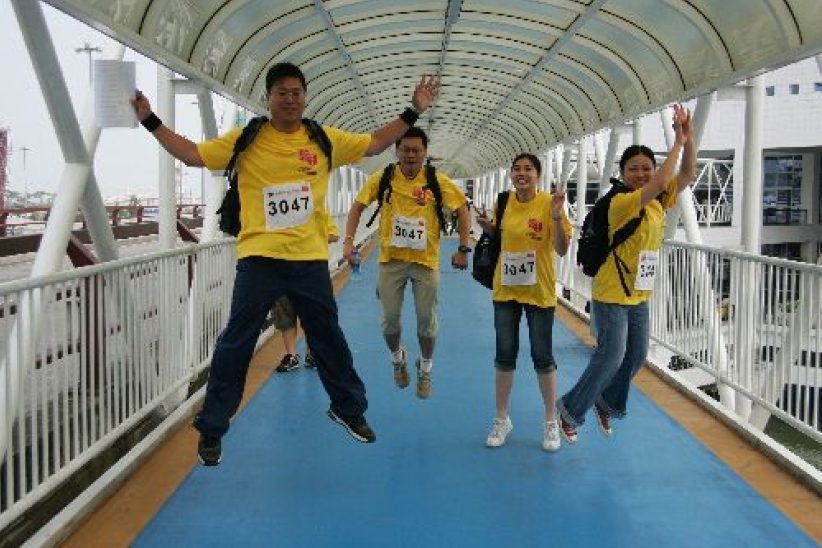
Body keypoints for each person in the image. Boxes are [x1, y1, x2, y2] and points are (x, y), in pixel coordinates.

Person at [132, 62, 440, 465]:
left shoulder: (321, 138)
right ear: (269, 98)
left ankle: (348, 410)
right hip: (259, 258)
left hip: (308, 259)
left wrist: (413, 110)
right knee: (235, 342)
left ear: (305, 97)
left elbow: (375, 144)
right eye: (282, 92)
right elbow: (191, 155)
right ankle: (212, 428)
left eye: (297, 92)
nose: (290, 99)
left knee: (329, 337)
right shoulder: (249, 139)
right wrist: (149, 119)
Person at [557, 104, 696, 444]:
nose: (642, 173)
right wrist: (676, 142)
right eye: (634, 169)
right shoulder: (622, 202)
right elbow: (665, 179)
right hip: (611, 292)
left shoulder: (656, 203)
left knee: (637, 355)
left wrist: (688, 141)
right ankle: (571, 409)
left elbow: (687, 175)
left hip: (639, 294)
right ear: (621, 173)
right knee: (611, 355)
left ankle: (607, 401)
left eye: (646, 168)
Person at [344, 127, 471, 399]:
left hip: (425, 262)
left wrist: (463, 247)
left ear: (425, 152)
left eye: (417, 150)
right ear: (396, 150)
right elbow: (357, 206)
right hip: (392, 261)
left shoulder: (436, 180)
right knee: (389, 322)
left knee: (427, 322)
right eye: (406, 149)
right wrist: (348, 242)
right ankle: (397, 359)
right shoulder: (385, 177)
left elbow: (462, 208)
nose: (411, 155)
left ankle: (425, 369)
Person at [475, 153, 571, 451]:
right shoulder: (503, 202)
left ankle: (550, 421)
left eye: (528, 169)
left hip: (539, 291)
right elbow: (504, 240)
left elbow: (562, 248)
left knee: (543, 356)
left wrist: (556, 215)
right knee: (504, 354)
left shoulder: (548, 203)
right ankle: (502, 418)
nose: (521, 174)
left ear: (538, 175)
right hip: (506, 289)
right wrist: (489, 228)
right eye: (516, 169)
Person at [273, 212, 340, 373]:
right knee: (284, 313)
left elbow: (334, 235)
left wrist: (308, 239)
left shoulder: (317, 210)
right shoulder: (280, 210)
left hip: (311, 270)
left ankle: (313, 352)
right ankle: (291, 356)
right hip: (282, 269)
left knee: (313, 313)